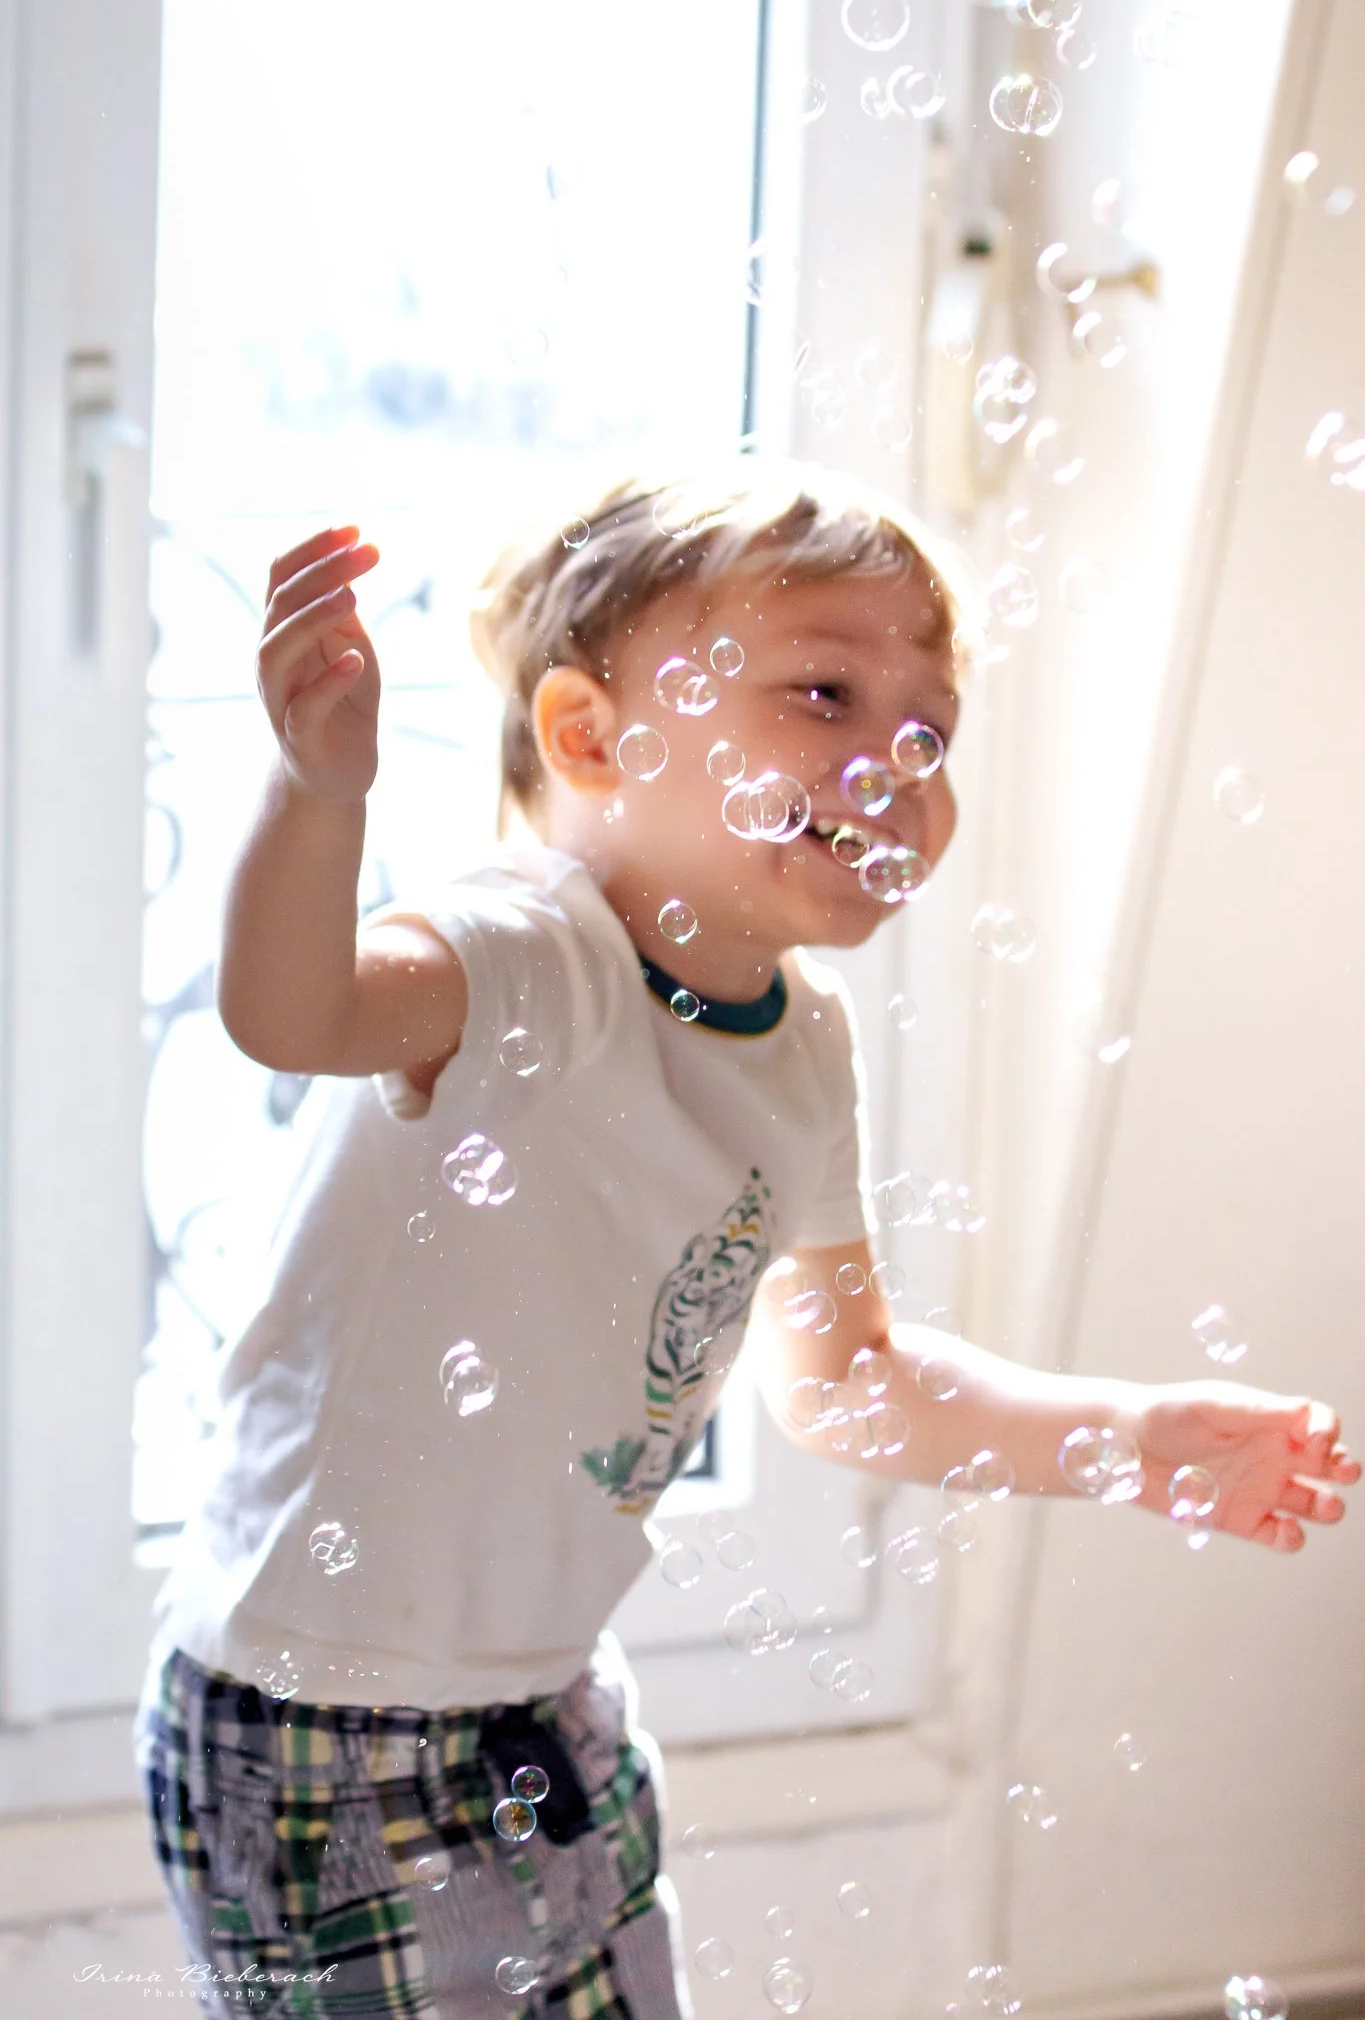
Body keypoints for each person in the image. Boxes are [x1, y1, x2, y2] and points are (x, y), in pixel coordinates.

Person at [136, 465, 1359, 2019]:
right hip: (319, 1722)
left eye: (930, 730)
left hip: (540, 1698)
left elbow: (849, 1380)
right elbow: (292, 1012)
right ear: (589, 739)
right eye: (827, 692)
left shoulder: (802, 1047)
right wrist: (317, 794)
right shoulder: (528, 954)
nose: (897, 763)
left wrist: (1125, 1434)